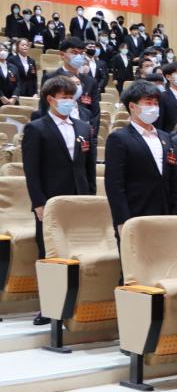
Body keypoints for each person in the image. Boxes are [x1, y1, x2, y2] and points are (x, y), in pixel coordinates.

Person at [21, 76, 97, 258]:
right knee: (51, 249)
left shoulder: (83, 128)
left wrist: (90, 196)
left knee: (78, 249)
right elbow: (31, 171)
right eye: (64, 97)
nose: (69, 101)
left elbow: (89, 167)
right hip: (50, 198)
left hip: (79, 196)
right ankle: (49, 279)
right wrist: (38, 203)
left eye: (71, 97)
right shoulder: (36, 128)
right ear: (50, 99)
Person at [105, 81, 177, 235]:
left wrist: (176, 213)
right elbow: (114, 184)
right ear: (132, 106)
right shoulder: (119, 138)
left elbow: (173, 178)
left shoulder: (166, 137)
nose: (154, 107)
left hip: (166, 213)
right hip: (135, 213)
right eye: (148, 103)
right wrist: (122, 220)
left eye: (156, 103)